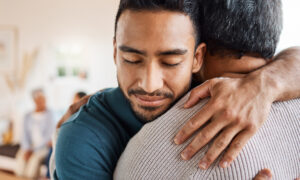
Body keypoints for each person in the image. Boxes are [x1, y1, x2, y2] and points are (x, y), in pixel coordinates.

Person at [53, 0, 300, 179]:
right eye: (132, 59)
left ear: (197, 58)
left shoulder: (211, 85)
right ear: (115, 52)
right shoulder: (83, 139)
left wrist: (262, 86)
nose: (149, 84)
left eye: (170, 62)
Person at [15, 88, 55, 179]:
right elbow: (24, 135)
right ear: (35, 100)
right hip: (28, 147)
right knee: (20, 161)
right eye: (40, 99)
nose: (43, 102)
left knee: (33, 162)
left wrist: (33, 150)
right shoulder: (27, 115)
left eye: (44, 99)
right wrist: (26, 148)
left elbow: (48, 136)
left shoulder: (50, 114)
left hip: (42, 147)